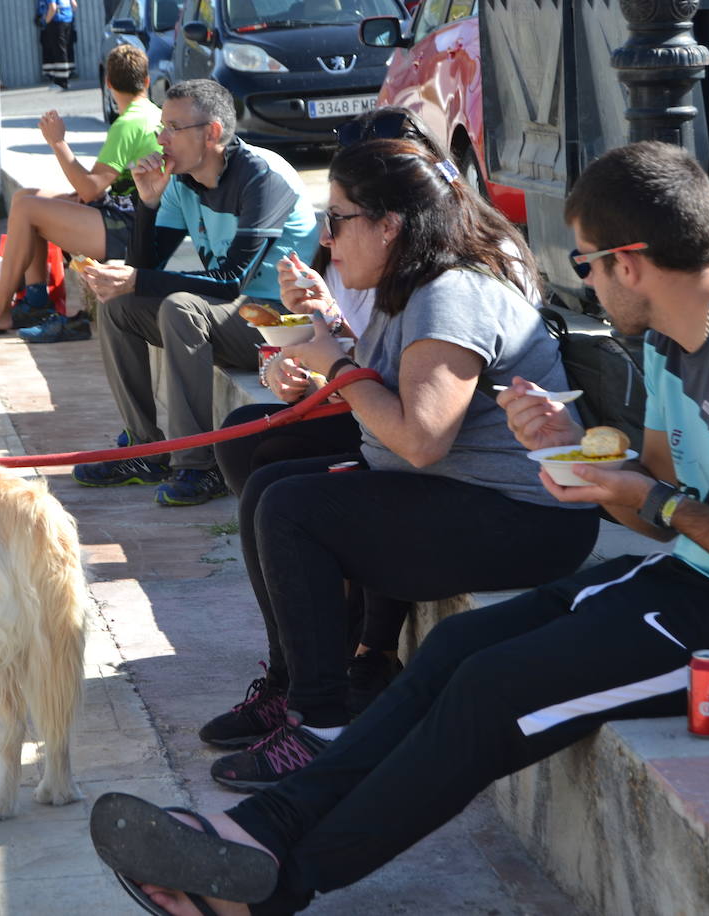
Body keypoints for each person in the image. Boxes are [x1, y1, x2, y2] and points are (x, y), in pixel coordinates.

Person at [86, 140, 709, 916]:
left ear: (629, 262)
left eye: (586, 263)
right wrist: (565, 452)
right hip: (702, 581)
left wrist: (653, 498)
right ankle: (258, 830)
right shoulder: (673, 342)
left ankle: (273, 891)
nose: (587, 280)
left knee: (494, 692)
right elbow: (661, 504)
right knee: (458, 649)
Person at [198, 133, 601, 792]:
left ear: (388, 226)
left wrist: (340, 365)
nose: (327, 239)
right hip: (470, 497)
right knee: (272, 479)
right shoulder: (410, 285)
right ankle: (290, 686)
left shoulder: (449, 294)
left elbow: (421, 439)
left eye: (337, 219)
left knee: (293, 508)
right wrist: (322, 360)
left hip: (529, 519)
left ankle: (322, 726)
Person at [72, 78, 320, 507]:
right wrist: (147, 207)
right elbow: (145, 269)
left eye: (173, 128)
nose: (160, 138)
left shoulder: (263, 178)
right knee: (120, 306)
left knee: (180, 308)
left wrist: (137, 279)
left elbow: (231, 281)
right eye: (160, 127)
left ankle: (200, 466)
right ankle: (143, 450)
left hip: (283, 321)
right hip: (232, 314)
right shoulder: (182, 181)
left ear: (212, 133)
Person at [0, 45, 160, 343]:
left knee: (28, 209)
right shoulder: (150, 113)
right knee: (26, 197)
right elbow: (103, 187)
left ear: (109, 84)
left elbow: (89, 190)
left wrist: (58, 143)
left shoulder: (128, 123)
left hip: (128, 231)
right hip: (129, 217)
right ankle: (35, 301)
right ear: (147, 81)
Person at [38, 0, 76, 90]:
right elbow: (74, 5)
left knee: (59, 51)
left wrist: (46, 21)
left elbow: (53, 7)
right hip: (68, 20)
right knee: (64, 50)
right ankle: (65, 79)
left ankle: (61, 83)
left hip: (56, 21)